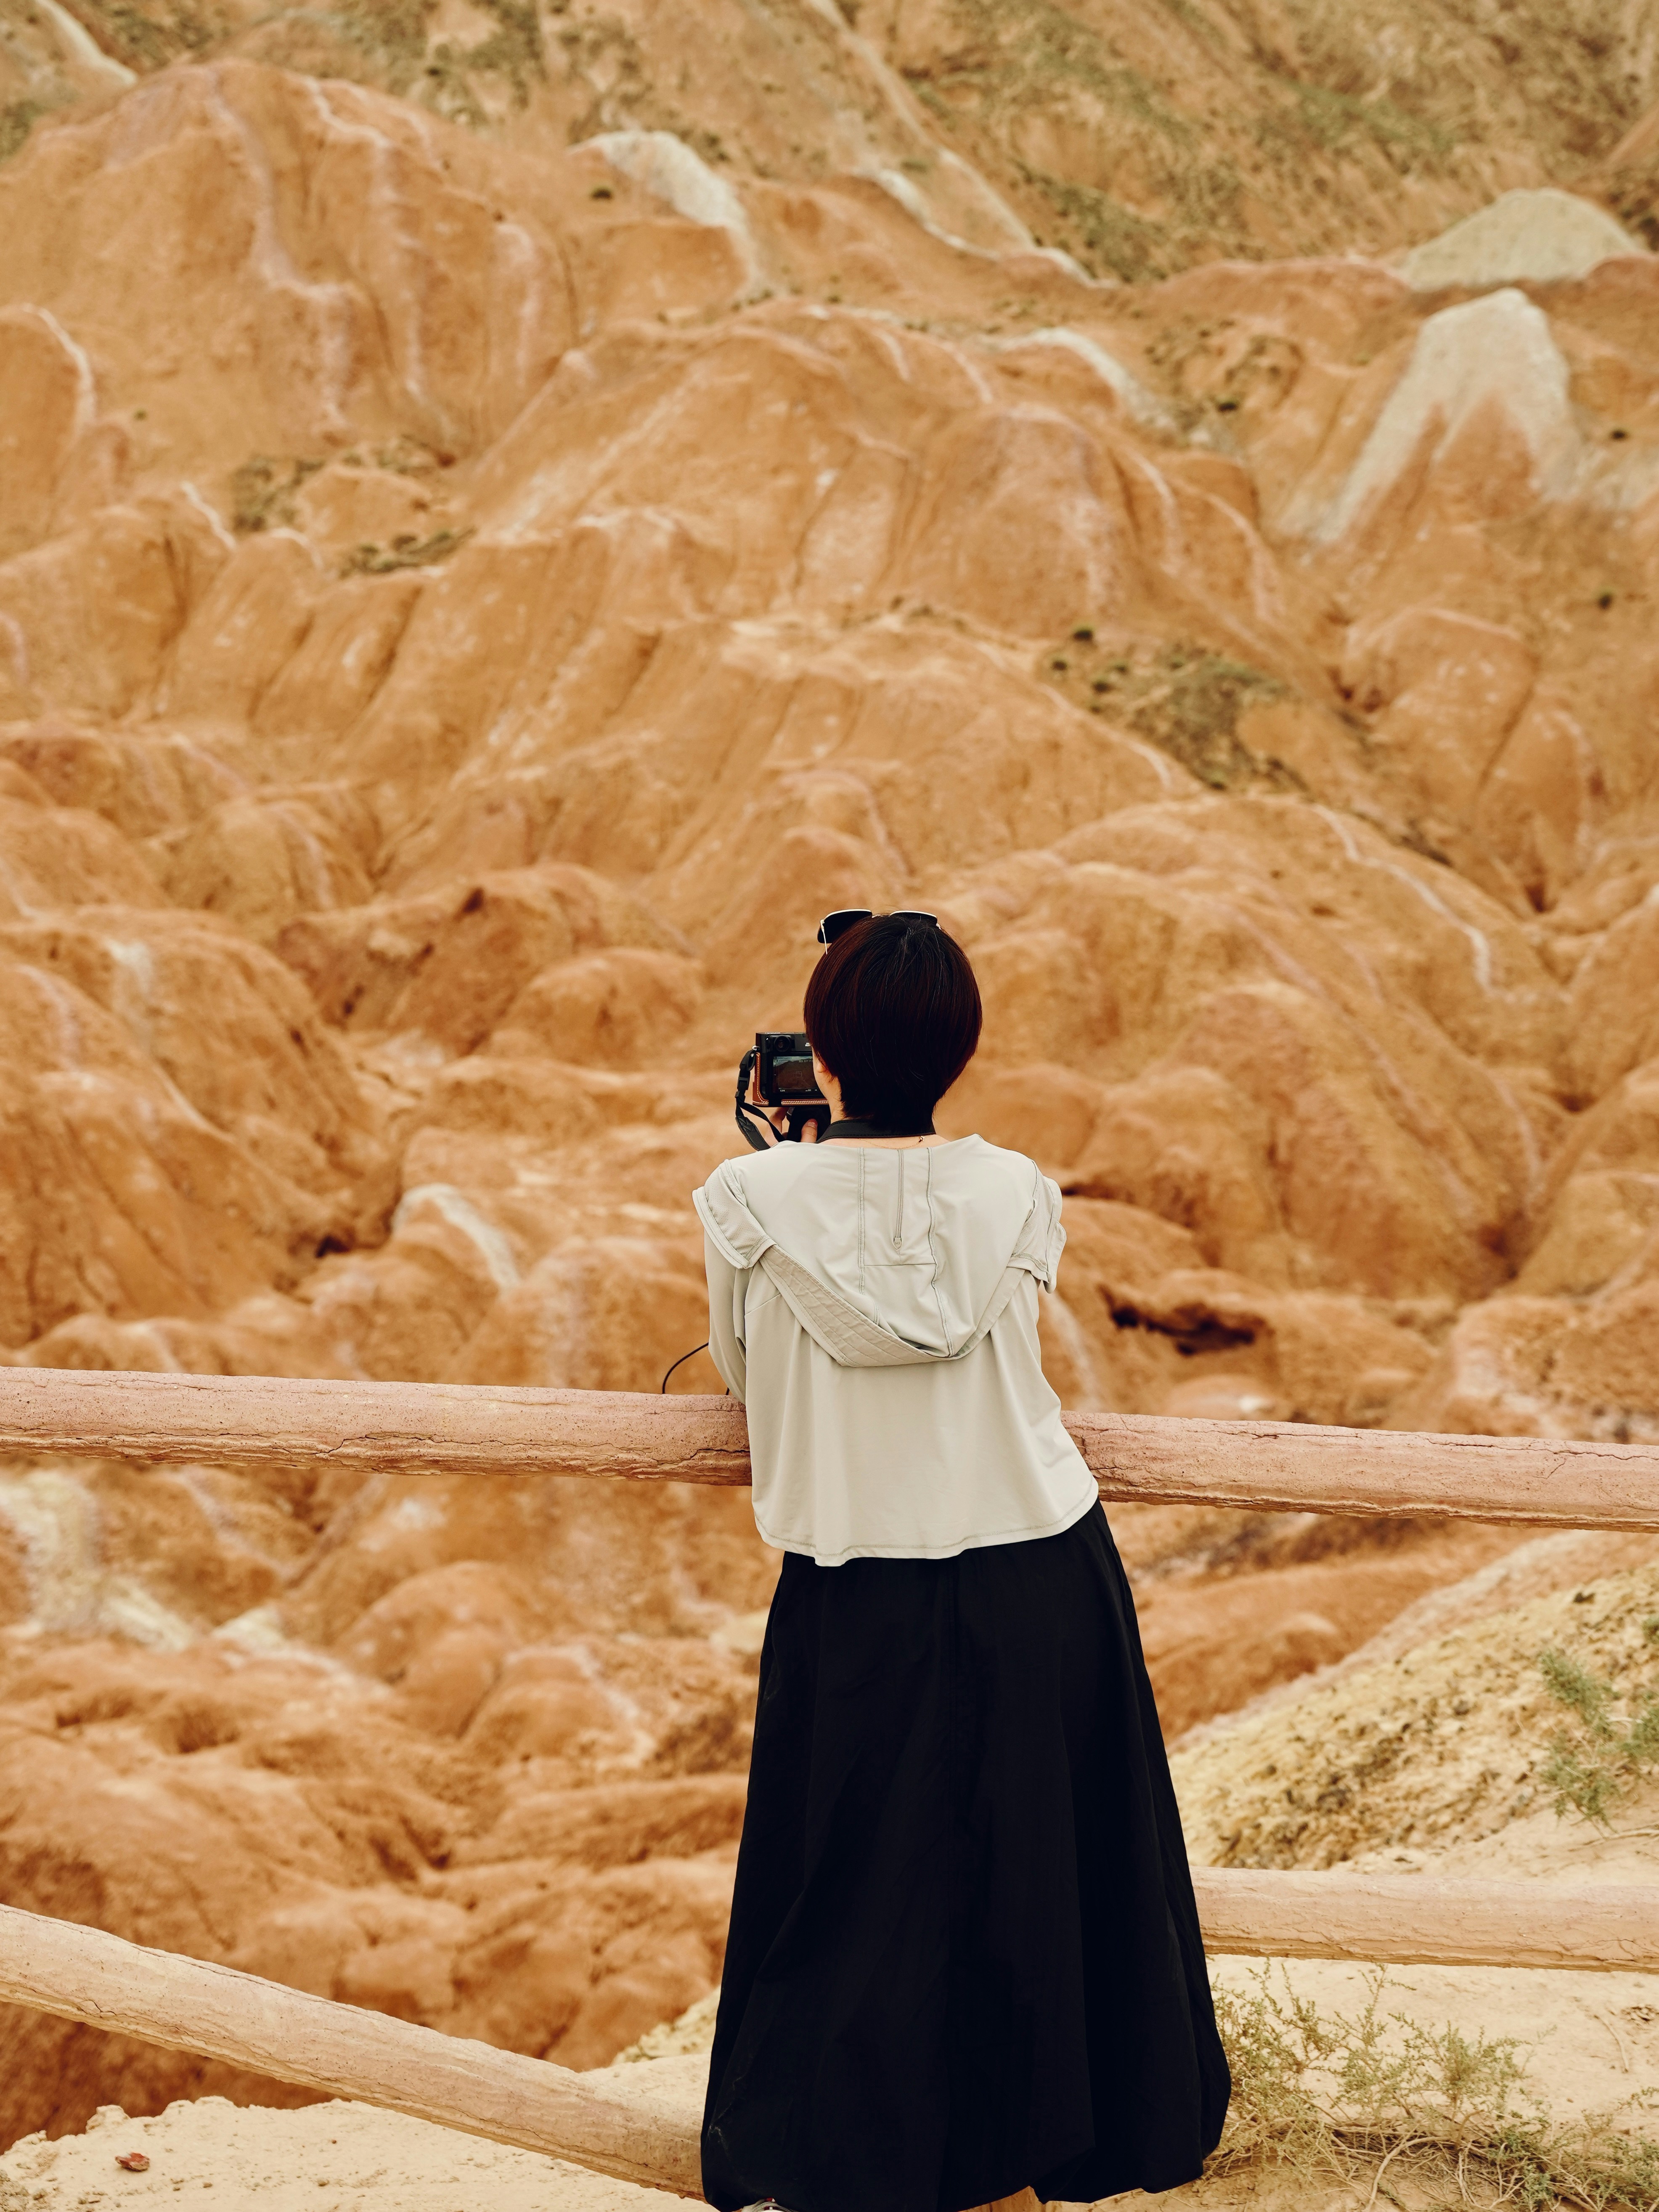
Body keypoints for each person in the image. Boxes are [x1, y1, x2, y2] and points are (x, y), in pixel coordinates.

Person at [692, 910, 1229, 2212]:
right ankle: (1049, 2148)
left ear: (816, 1053)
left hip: (858, 1575)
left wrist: (797, 1160)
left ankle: (875, 2157)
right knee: (1044, 1867)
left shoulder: (748, 1196)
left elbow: (742, 1371)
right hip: (1041, 1562)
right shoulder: (1019, 1189)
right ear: (959, 1048)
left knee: (859, 1882)